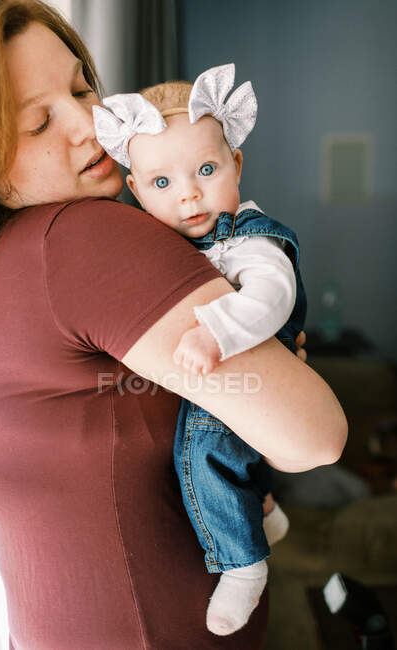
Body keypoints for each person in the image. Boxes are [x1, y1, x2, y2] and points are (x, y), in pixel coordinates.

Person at [0, 2, 347, 649]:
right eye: (38, 122)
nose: (89, 122)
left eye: (84, 86)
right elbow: (317, 434)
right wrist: (275, 375)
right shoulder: (84, 239)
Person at [93, 64, 306, 636]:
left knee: (204, 452)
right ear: (136, 190)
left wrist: (216, 330)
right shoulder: (159, 243)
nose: (188, 193)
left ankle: (243, 565)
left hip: (240, 372)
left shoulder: (248, 239)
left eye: (206, 170)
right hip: (223, 379)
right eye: (162, 184)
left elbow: (273, 294)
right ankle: (263, 510)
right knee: (228, 460)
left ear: (236, 164)